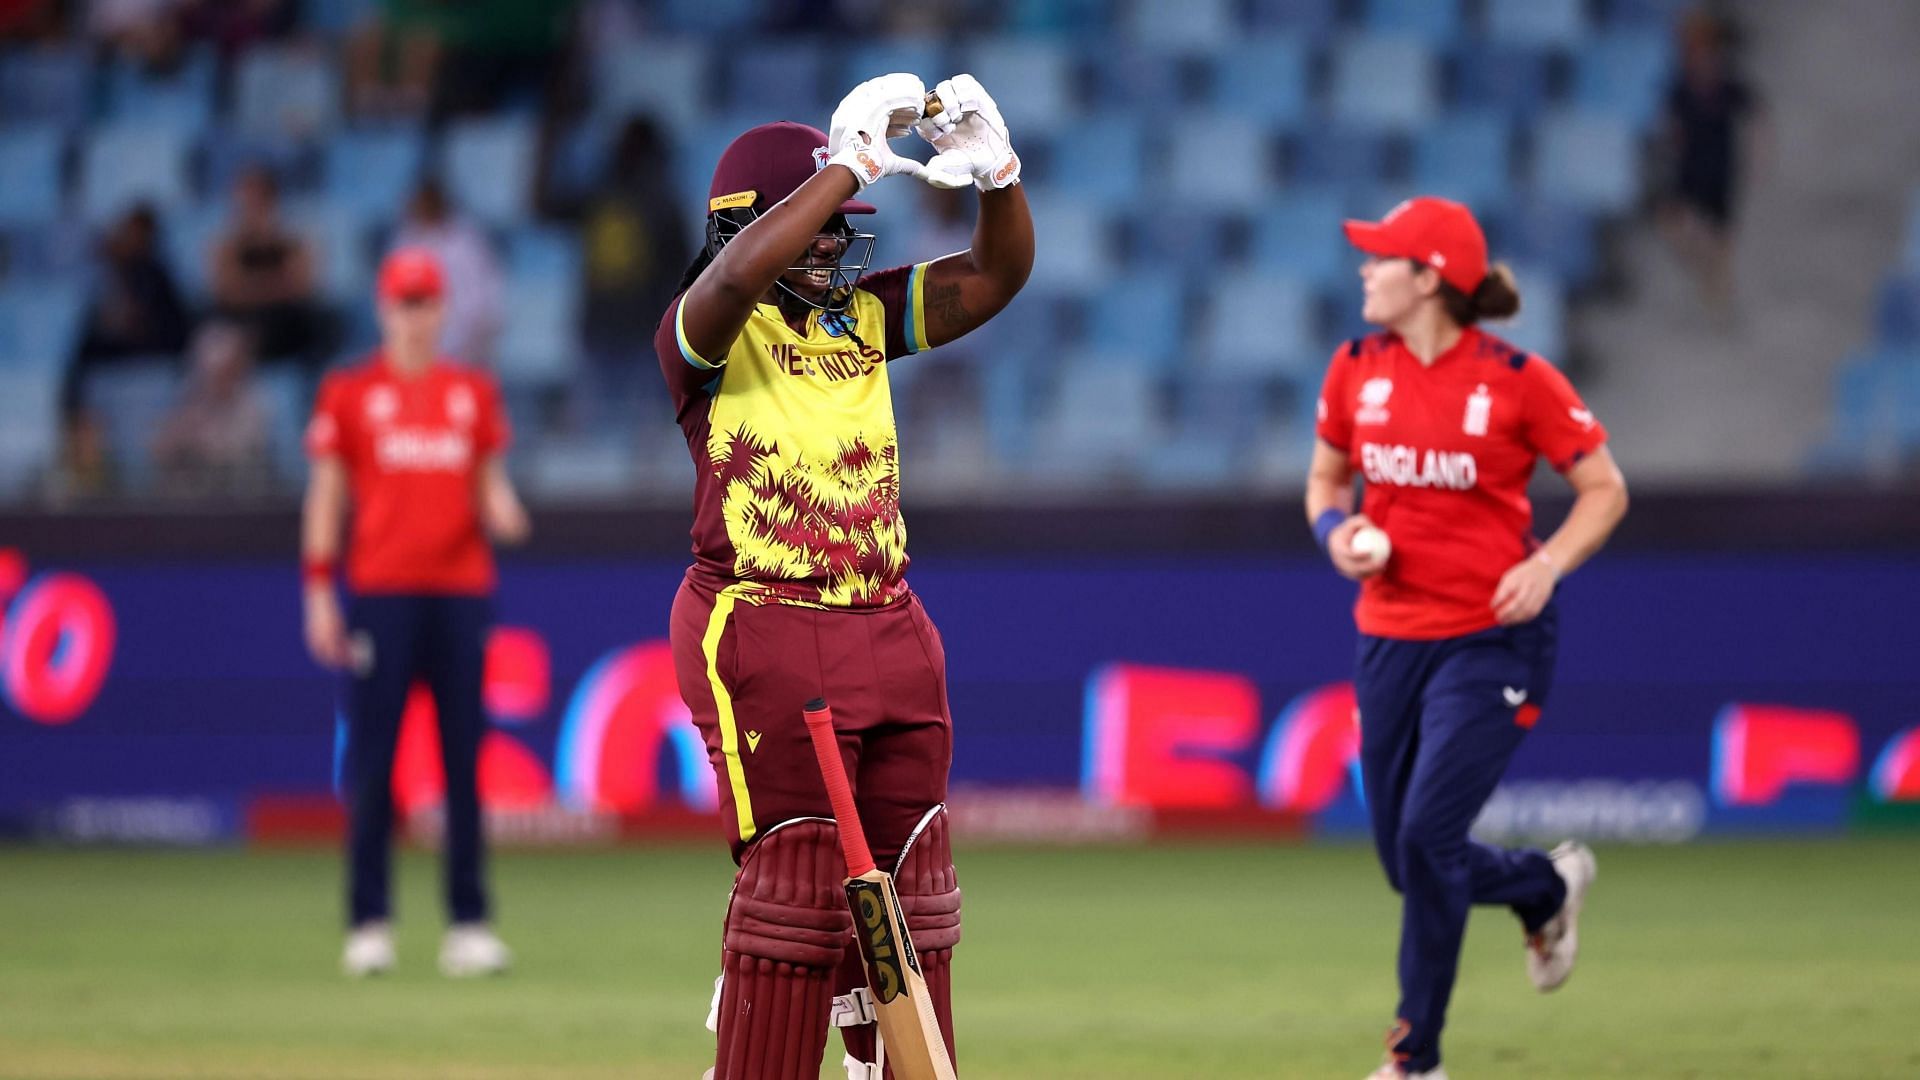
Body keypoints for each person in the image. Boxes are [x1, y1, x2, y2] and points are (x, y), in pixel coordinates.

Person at [656, 74, 1031, 1079]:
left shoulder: (859, 314)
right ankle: (767, 1021)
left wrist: (1000, 177)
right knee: (797, 887)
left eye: (845, 222)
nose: (837, 241)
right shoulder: (706, 332)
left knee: (918, 893)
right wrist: (846, 167)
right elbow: (734, 281)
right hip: (766, 622)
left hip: (892, 621)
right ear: (752, 220)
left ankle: (869, 1044)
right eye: (823, 220)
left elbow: (994, 280)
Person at [1303, 197, 1630, 1080]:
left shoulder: (1519, 379)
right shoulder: (1355, 367)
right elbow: (1325, 482)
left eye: (1383, 259)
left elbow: (1604, 489)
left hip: (1494, 636)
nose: (1366, 270)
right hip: (1389, 637)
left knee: (1428, 837)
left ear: (1431, 278)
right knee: (1410, 862)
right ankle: (1545, 886)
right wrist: (1337, 533)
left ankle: (1416, 1060)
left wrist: (1549, 565)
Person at [301, 247, 530, 978]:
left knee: (464, 763)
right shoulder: (349, 392)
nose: (415, 315)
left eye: (426, 301)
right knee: (373, 763)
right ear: (382, 308)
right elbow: (327, 497)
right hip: (381, 595)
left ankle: (469, 923)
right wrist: (317, 591)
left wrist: (506, 512)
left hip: (460, 594)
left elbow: (492, 486)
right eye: (404, 301)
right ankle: (369, 923)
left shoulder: (471, 392)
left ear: (441, 310)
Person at [211, 166, 325, 366]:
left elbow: (301, 286)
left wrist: (249, 286)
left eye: (259, 198)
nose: (252, 206)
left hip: (286, 323)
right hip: (242, 323)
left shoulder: (293, 238)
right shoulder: (227, 243)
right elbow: (226, 290)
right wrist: (275, 283)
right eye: (246, 199)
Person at [390, 178, 504, 367]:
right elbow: (392, 299)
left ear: (439, 205)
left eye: (428, 205)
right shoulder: (404, 240)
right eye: (418, 206)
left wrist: (474, 340)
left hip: (466, 348)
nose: (422, 211)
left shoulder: (468, 242)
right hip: (416, 348)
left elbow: (488, 301)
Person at [152, 320, 271, 496]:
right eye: (209, 368)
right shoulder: (187, 397)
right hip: (191, 499)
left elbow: (237, 455)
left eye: (227, 367)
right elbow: (159, 449)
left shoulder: (258, 401)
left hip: (242, 497)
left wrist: (197, 439)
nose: (218, 377)